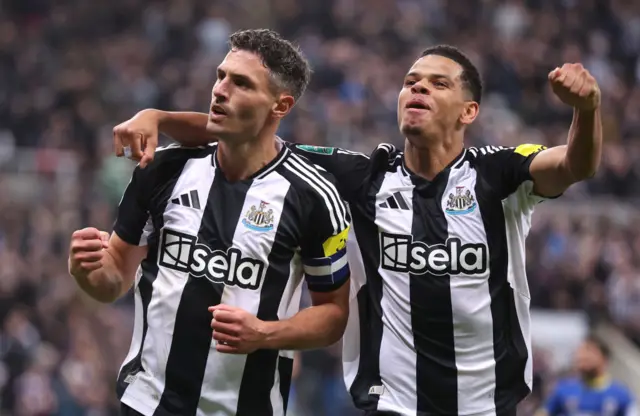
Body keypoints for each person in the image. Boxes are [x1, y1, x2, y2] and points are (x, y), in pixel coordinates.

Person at [114, 45, 602, 416]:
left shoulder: (498, 176)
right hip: (387, 403)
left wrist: (587, 110)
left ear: (469, 111)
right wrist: (156, 117)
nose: (418, 89)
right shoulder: (365, 176)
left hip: (487, 404)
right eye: (411, 81)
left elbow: (575, 165)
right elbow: (251, 132)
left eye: (437, 84)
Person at [69, 29, 352, 416]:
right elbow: (113, 279)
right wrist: (86, 269)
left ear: (280, 106)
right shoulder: (164, 169)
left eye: (241, 83)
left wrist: (265, 334)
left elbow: (333, 316)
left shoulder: (314, 198)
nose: (220, 90)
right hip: (147, 403)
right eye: (221, 76)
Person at [539, 336, 637, 416]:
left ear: (604, 359)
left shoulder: (621, 395)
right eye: (580, 351)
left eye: (589, 350)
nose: (582, 356)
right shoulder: (563, 389)